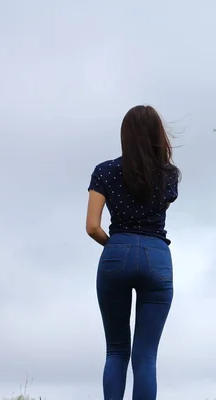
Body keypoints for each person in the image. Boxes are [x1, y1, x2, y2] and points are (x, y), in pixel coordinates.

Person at [85, 104, 181, 400]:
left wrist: (116, 247)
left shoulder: (105, 172)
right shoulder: (169, 175)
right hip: (157, 256)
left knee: (116, 350)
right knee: (146, 356)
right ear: (157, 135)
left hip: (116, 251)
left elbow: (92, 227)